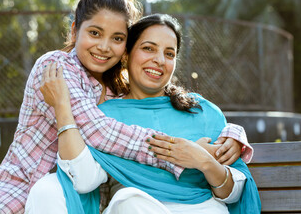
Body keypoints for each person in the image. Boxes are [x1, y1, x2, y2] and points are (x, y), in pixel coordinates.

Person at [0, 0, 252, 214]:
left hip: (76, 199)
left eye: (117, 38)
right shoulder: (56, 67)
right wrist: (181, 152)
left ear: (124, 47)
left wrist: (232, 132)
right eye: (95, 33)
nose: (103, 46)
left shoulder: (115, 90)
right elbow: (99, 131)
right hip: (11, 195)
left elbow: (161, 108)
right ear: (75, 30)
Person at [38, 14, 260, 214]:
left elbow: (235, 192)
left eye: (169, 53)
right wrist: (62, 108)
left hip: (202, 209)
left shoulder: (202, 111)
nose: (160, 60)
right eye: (148, 48)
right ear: (126, 55)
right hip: (135, 209)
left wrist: (203, 161)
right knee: (127, 200)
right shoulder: (104, 118)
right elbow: (84, 177)